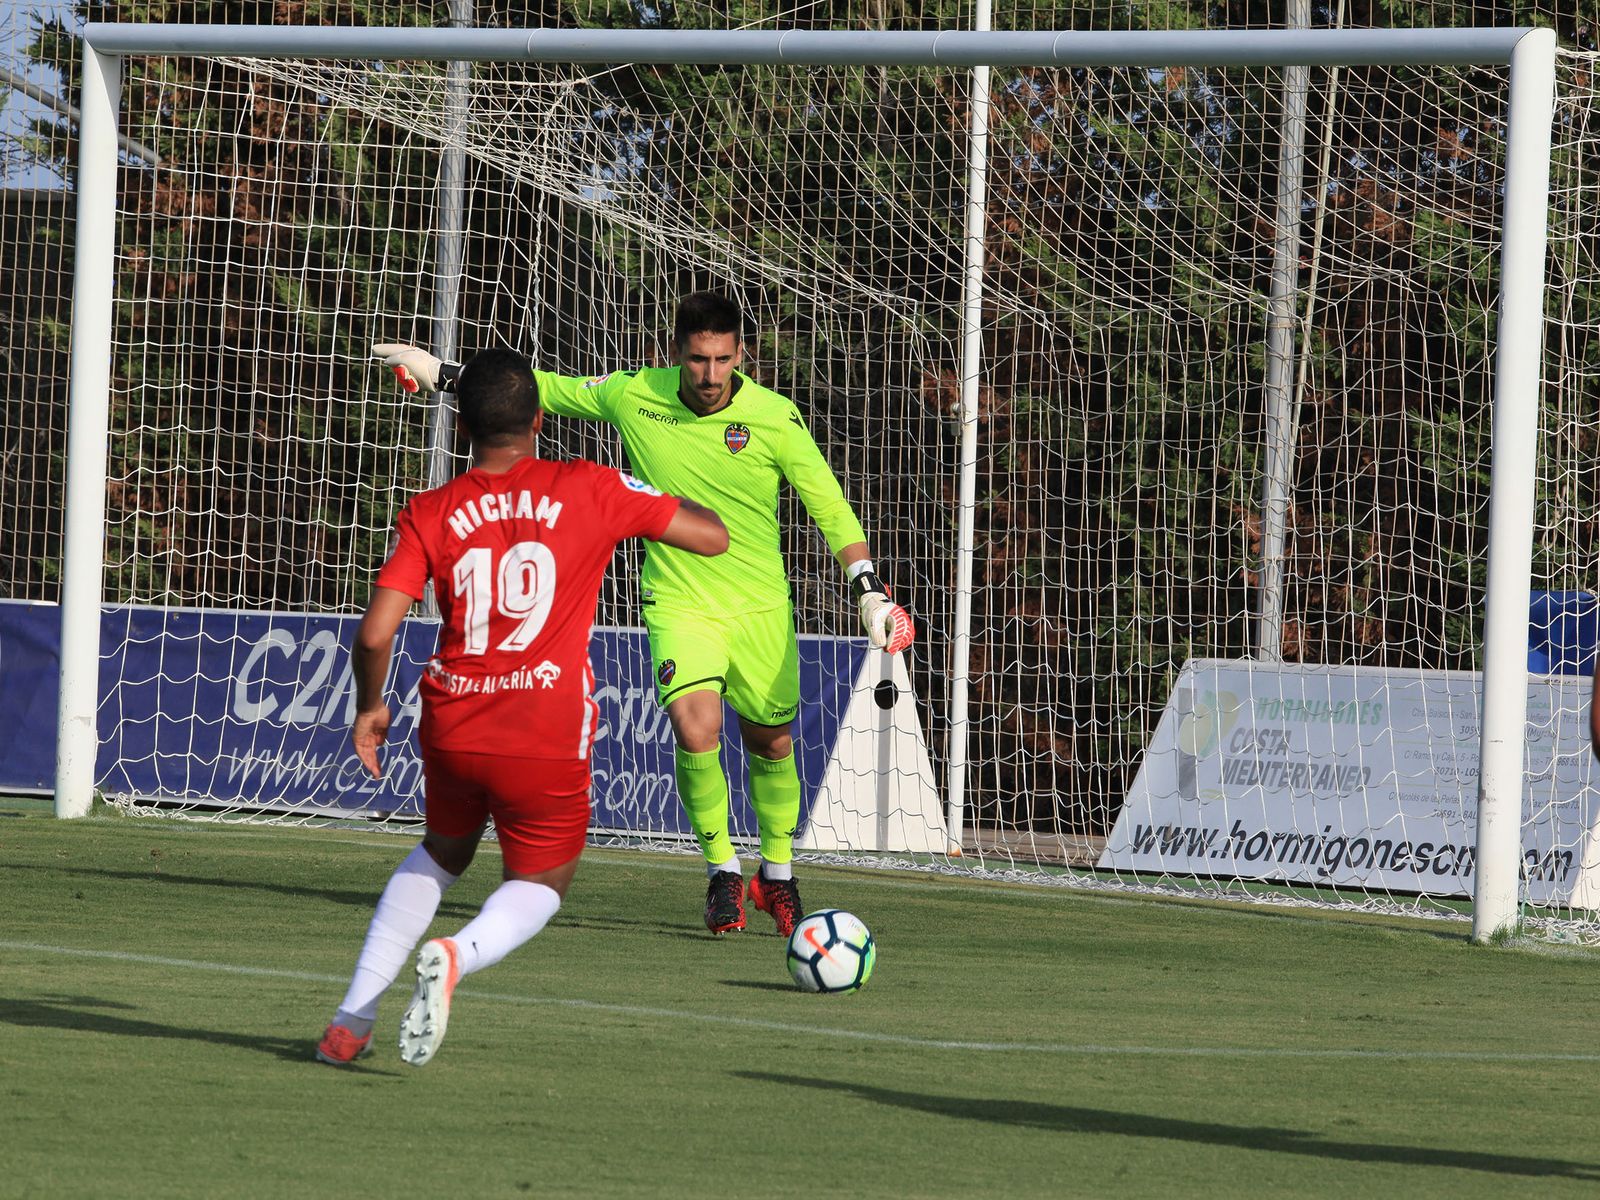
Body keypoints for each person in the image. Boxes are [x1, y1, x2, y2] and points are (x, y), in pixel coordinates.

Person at [372, 292, 914, 939]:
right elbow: (542, 390)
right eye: (697, 360)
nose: (710, 375)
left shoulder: (774, 416)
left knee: (771, 741)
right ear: (674, 355)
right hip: (680, 600)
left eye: (721, 359)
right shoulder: (634, 393)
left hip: (761, 605)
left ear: (740, 353)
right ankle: (721, 871)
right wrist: (439, 372)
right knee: (695, 728)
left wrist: (868, 590)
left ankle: (777, 874)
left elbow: (828, 504)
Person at [317, 348, 728, 1068]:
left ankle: (350, 1019)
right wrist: (644, 490)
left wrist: (370, 706)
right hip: (543, 724)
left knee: (442, 851)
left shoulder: (431, 510)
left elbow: (375, 632)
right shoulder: (590, 488)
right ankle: (459, 952)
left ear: (459, 425)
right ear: (541, 420)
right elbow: (711, 536)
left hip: (453, 719)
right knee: (540, 879)